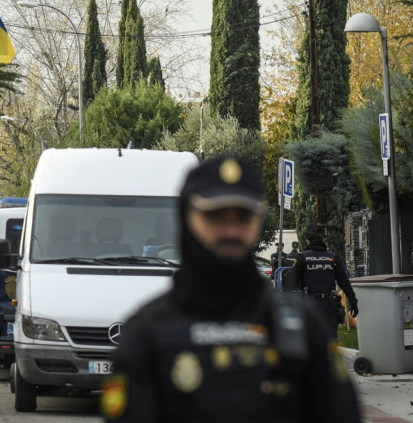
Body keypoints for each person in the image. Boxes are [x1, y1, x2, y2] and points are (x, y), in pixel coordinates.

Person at [102, 156, 360, 422]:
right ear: (186, 218)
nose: (231, 231)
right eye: (215, 216)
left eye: (243, 216)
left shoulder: (303, 325)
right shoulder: (147, 332)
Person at [288, 225, 359, 338]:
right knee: (330, 340)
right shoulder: (333, 257)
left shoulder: (302, 258)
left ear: (307, 240)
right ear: (323, 239)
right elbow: (344, 283)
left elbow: (291, 282)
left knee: (310, 340)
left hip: (309, 305)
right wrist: (353, 301)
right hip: (329, 306)